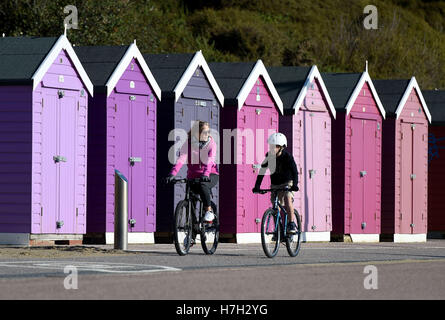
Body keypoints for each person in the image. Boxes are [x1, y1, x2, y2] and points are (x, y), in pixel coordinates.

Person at [166, 121, 219, 224]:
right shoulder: (188, 143)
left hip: (210, 174)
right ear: (197, 133)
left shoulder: (211, 144)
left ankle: (208, 210)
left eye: (208, 132)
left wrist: (206, 174)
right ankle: (193, 234)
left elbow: (210, 160)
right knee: (191, 204)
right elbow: (181, 158)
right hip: (193, 176)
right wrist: (173, 173)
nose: (207, 134)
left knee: (203, 185)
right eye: (204, 132)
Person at [252, 132, 299, 233]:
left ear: (282, 147)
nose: (273, 148)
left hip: (288, 183)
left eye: (276, 146)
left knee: (287, 199)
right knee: (275, 207)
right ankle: (278, 231)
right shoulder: (269, 157)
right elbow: (262, 172)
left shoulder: (288, 157)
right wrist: (257, 186)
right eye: (271, 146)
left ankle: (291, 224)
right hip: (275, 184)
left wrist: (295, 185)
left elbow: (295, 172)